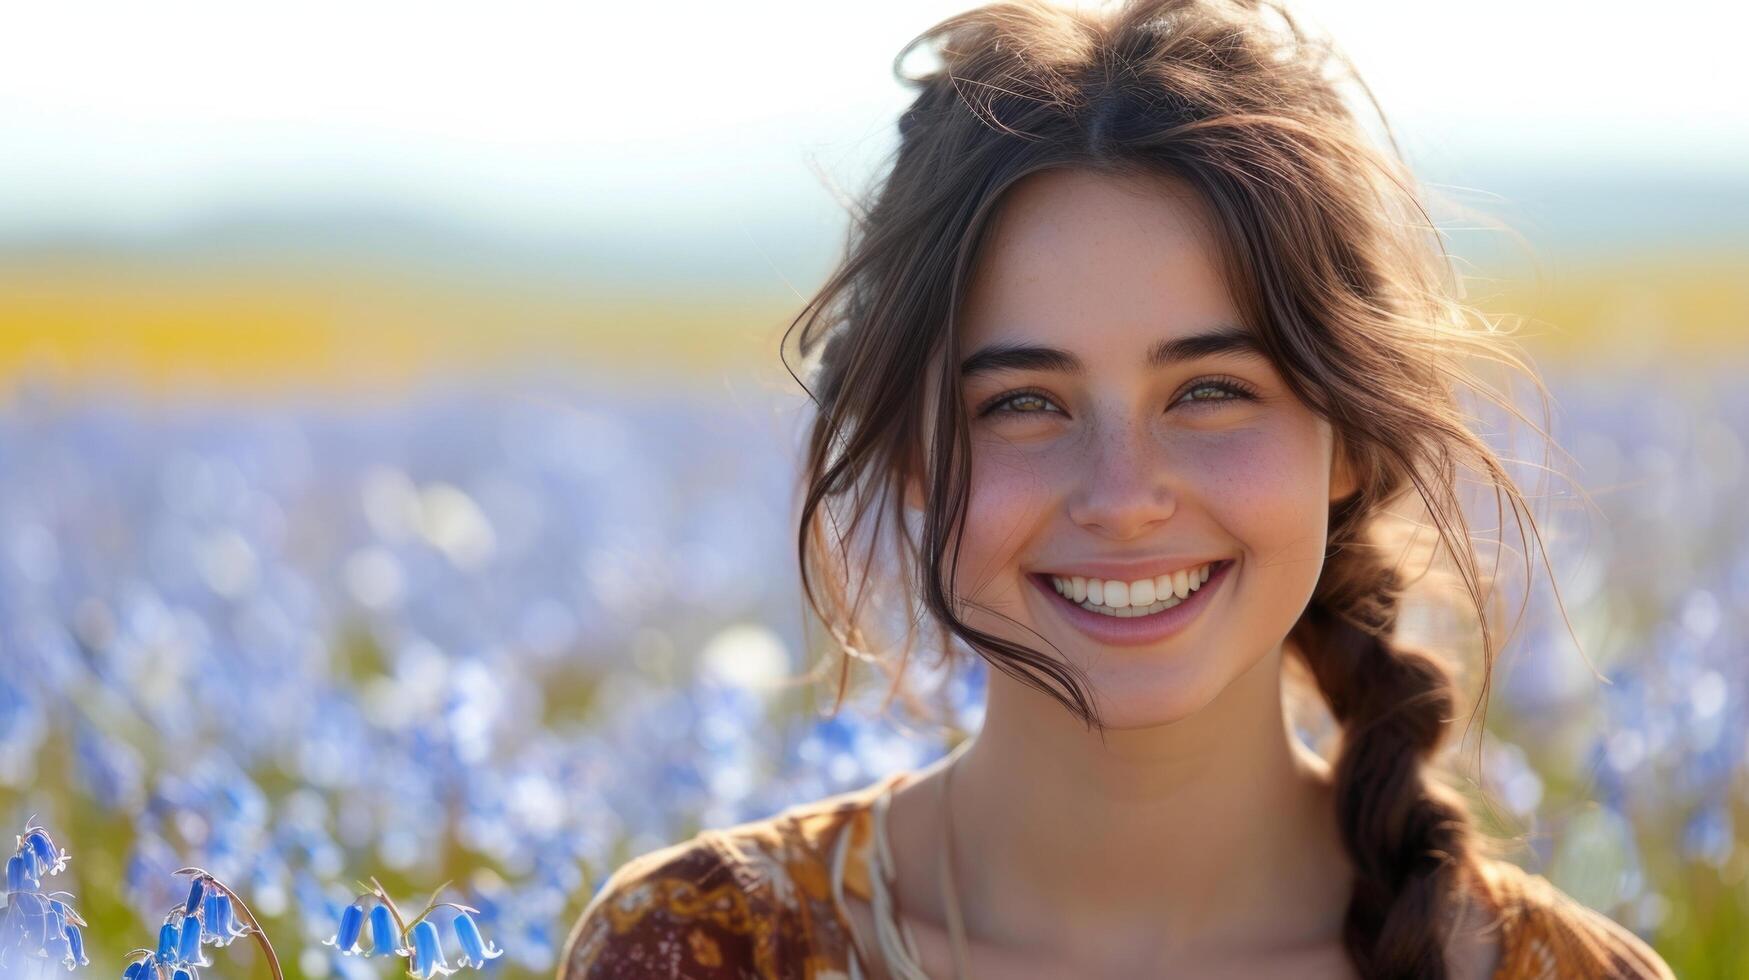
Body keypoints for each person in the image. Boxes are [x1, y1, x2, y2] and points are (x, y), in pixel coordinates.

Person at [558, 0, 1677, 976]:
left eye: (1210, 390)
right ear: (908, 451)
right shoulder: (702, 948)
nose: (1124, 494)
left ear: (1347, 438)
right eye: (1023, 403)